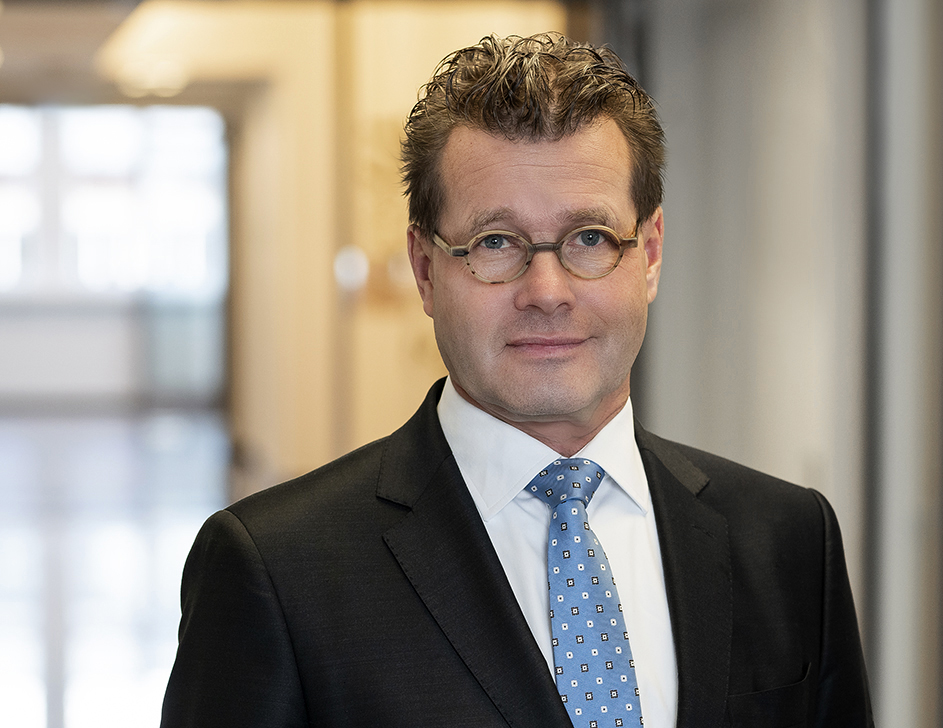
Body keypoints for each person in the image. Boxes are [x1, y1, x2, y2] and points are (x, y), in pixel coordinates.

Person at [160, 33, 872, 728]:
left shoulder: (788, 542)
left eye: (590, 238)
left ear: (650, 253)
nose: (547, 291)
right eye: (495, 242)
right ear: (425, 268)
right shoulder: (278, 571)